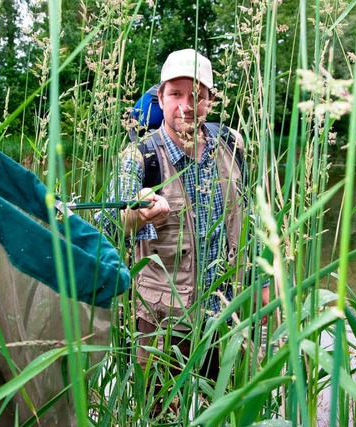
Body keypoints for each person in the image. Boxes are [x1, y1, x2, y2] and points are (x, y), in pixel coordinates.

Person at [96, 48, 269, 415]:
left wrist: (261, 284)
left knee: (223, 410)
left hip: (225, 316)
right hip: (163, 324)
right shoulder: (139, 157)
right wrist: (139, 212)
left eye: (197, 96)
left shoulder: (231, 146)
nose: (186, 106)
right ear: (160, 97)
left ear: (210, 101)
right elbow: (112, 221)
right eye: (176, 95)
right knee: (160, 413)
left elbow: (249, 222)